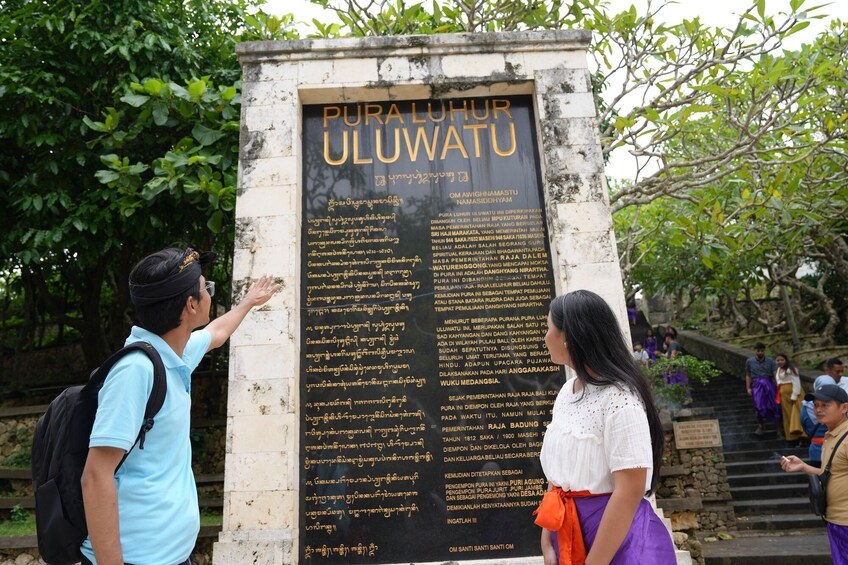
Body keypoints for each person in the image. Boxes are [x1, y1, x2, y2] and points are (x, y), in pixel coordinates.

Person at [80, 247, 279, 565]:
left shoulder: (174, 352)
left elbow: (216, 333)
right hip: (136, 559)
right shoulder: (135, 371)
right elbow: (95, 474)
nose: (209, 293)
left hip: (172, 556)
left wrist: (249, 302)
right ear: (191, 305)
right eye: (206, 288)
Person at [536, 290, 676, 564]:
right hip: (569, 532)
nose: (545, 337)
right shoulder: (568, 392)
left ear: (568, 337)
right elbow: (559, 475)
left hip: (617, 540)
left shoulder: (620, 399)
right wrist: (548, 537)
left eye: (548, 328)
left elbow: (629, 490)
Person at [781, 384, 848, 564]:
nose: (818, 410)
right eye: (816, 405)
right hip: (835, 520)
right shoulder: (831, 435)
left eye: (825, 405)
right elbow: (831, 474)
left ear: (844, 407)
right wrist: (803, 466)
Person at [745, 343, 780, 435]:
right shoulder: (750, 361)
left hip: (769, 383)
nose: (760, 352)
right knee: (758, 405)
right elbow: (748, 375)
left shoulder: (771, 361)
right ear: (755, 351)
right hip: (756, 384)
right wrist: (748, 388)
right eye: (758, 351)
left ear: (764, 350)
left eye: (762, 350)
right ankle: (761, 425)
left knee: (774, 405)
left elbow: (775, 374)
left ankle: (778, 428)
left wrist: (777, 385)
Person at [774, 353, 807, 444]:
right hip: (784, 396)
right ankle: (792, 437)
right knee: (788, 415)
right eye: (778, 360)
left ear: (786, 360)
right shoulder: (778, 370)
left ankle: (802, 437)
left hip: (793, 395)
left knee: (796, 415)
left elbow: (797, 383)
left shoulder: (791, 370)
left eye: (782, 360)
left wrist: (794, 395)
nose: (780, 362)